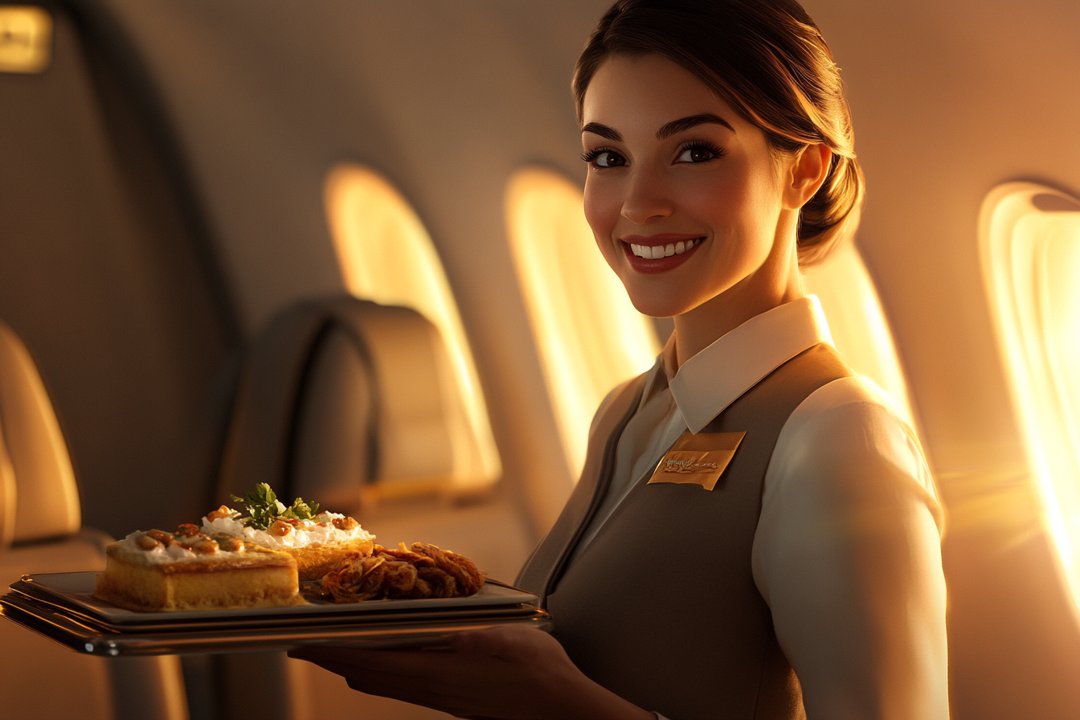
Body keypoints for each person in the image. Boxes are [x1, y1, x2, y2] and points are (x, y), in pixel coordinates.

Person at [289, 1, 950, 717]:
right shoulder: (627, 411)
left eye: (694, 151)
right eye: (608, 158)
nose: (638, 204)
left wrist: (550, 701)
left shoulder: (836, 438)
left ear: (805, 171)